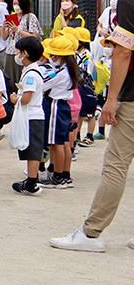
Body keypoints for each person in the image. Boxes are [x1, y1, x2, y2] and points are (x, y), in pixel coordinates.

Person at [51, 0, 134, 252]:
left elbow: (124, 52)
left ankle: (91, 233)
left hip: (133, 95)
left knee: (115, 164)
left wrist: (111, 99)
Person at [9, 36, 48, 196]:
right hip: (33, 115)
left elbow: (26, 99)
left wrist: (14, 99)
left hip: (32, 115)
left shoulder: (31, 74)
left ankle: (32, 183)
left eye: (18, 51)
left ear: (25, 53)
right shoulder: (32, 70)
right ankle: (33, 178)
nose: (16, 54)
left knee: (32, 149)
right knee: (33, 147)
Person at [40, 35, 79, 189]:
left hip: (56, 106)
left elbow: (43, 84)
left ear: (59, 56)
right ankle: (64, 175)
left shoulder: (60, 73)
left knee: (56, 143)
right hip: (64, 107)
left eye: (53, 55)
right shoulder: (68, 70)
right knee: (63, 142)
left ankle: (57, 177)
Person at [2, 0, 41, 88]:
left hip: (22, 52)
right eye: (14, 4)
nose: (16, 6)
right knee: (10, 78)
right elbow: (5, 37)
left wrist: (18, 30)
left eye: (18, 4)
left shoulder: (30, 17)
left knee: (20, 77)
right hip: (10, 51)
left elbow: (33, 36)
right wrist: (4, 28)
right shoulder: (13, 17)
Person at [73, 27, 99, 147]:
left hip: (86, 87)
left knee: (90, 113)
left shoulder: (86, 56)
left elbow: (88, 72)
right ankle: (77, 134)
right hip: (80, 86)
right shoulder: (77, 54)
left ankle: (89, 135)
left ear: (82, 42)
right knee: (80, 112)